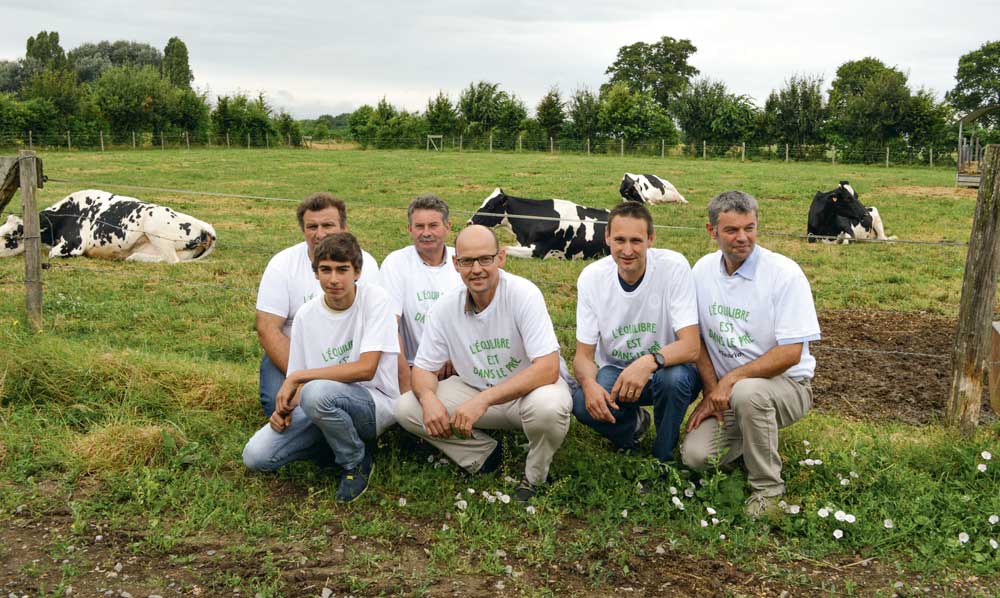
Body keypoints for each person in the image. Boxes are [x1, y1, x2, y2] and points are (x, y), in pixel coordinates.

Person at [394, 225, 573, 502]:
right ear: (456, 264)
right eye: (467, 261)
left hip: (527, 392)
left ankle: (534, 477)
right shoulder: (443, 309)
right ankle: (485, 454)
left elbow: (548, 368)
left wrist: (484, 400)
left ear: (501, 258)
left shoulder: (523, 293)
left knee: (549, 408)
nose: (476, 269)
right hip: (474, 389)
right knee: (407, 407)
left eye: (485, 259)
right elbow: (424, 369)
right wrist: (428, 398)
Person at [680, 191, 821, 518]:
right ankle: (753, 439)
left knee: (748, 393)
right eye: (731, 230)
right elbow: (695, 337)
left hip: (787, 386)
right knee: (696, 457)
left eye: (750, 228)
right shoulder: (701, 271)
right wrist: (711, 390)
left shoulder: (784, 274)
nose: (742, 238)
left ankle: (767, 492)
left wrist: (730, 380)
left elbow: (790, 353)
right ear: (711, 231)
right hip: (728, 392)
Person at [243, 233, 400, 502]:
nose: (334, 279)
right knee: (256, 456)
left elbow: (366, 369)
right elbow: (298, 386)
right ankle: (333, 442)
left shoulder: (376, 300)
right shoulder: (306, 314)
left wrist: (300, 377)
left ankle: (355, 460)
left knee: (317, 393)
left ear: (357, 272)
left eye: (342, 270)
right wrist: (284, 411)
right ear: (315, 273)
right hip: (322, 404)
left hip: (373, 403)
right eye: (325, 270)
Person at [572, 202, 701, 462]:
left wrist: (648, 362)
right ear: (607, 237)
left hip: (668, 369)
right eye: (619, 240)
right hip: (617, 372)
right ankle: (633, 428)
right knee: (581, 403)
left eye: (636, 241)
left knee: (672, 380)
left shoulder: (673, 267)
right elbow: (583, 355)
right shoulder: (591, 277)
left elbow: (691, 346)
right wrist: (588, 384)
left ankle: (662, 457)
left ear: (651, 239)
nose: (627, 250)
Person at [255, 192, 381, 417]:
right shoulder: (282, 264)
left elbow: (376, 326)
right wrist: (300, 376)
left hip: (345, 355)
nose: (319, 234)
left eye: (328, 225)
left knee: (325, 405)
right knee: (284, 408)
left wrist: (315, 381)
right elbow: (267, 328)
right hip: (293, 354)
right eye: (311, 226)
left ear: (344, 227)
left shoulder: (366, 264)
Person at [380, 194, 463, 374]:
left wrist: (457, 357)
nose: (426, 233)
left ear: (448, 227)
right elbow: (388, 326)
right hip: (413, 366)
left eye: (433, 225)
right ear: (410, 229)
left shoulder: (463, 262)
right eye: (419, 226)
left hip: (459, 366)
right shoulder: (396, 263)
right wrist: (406, 381)